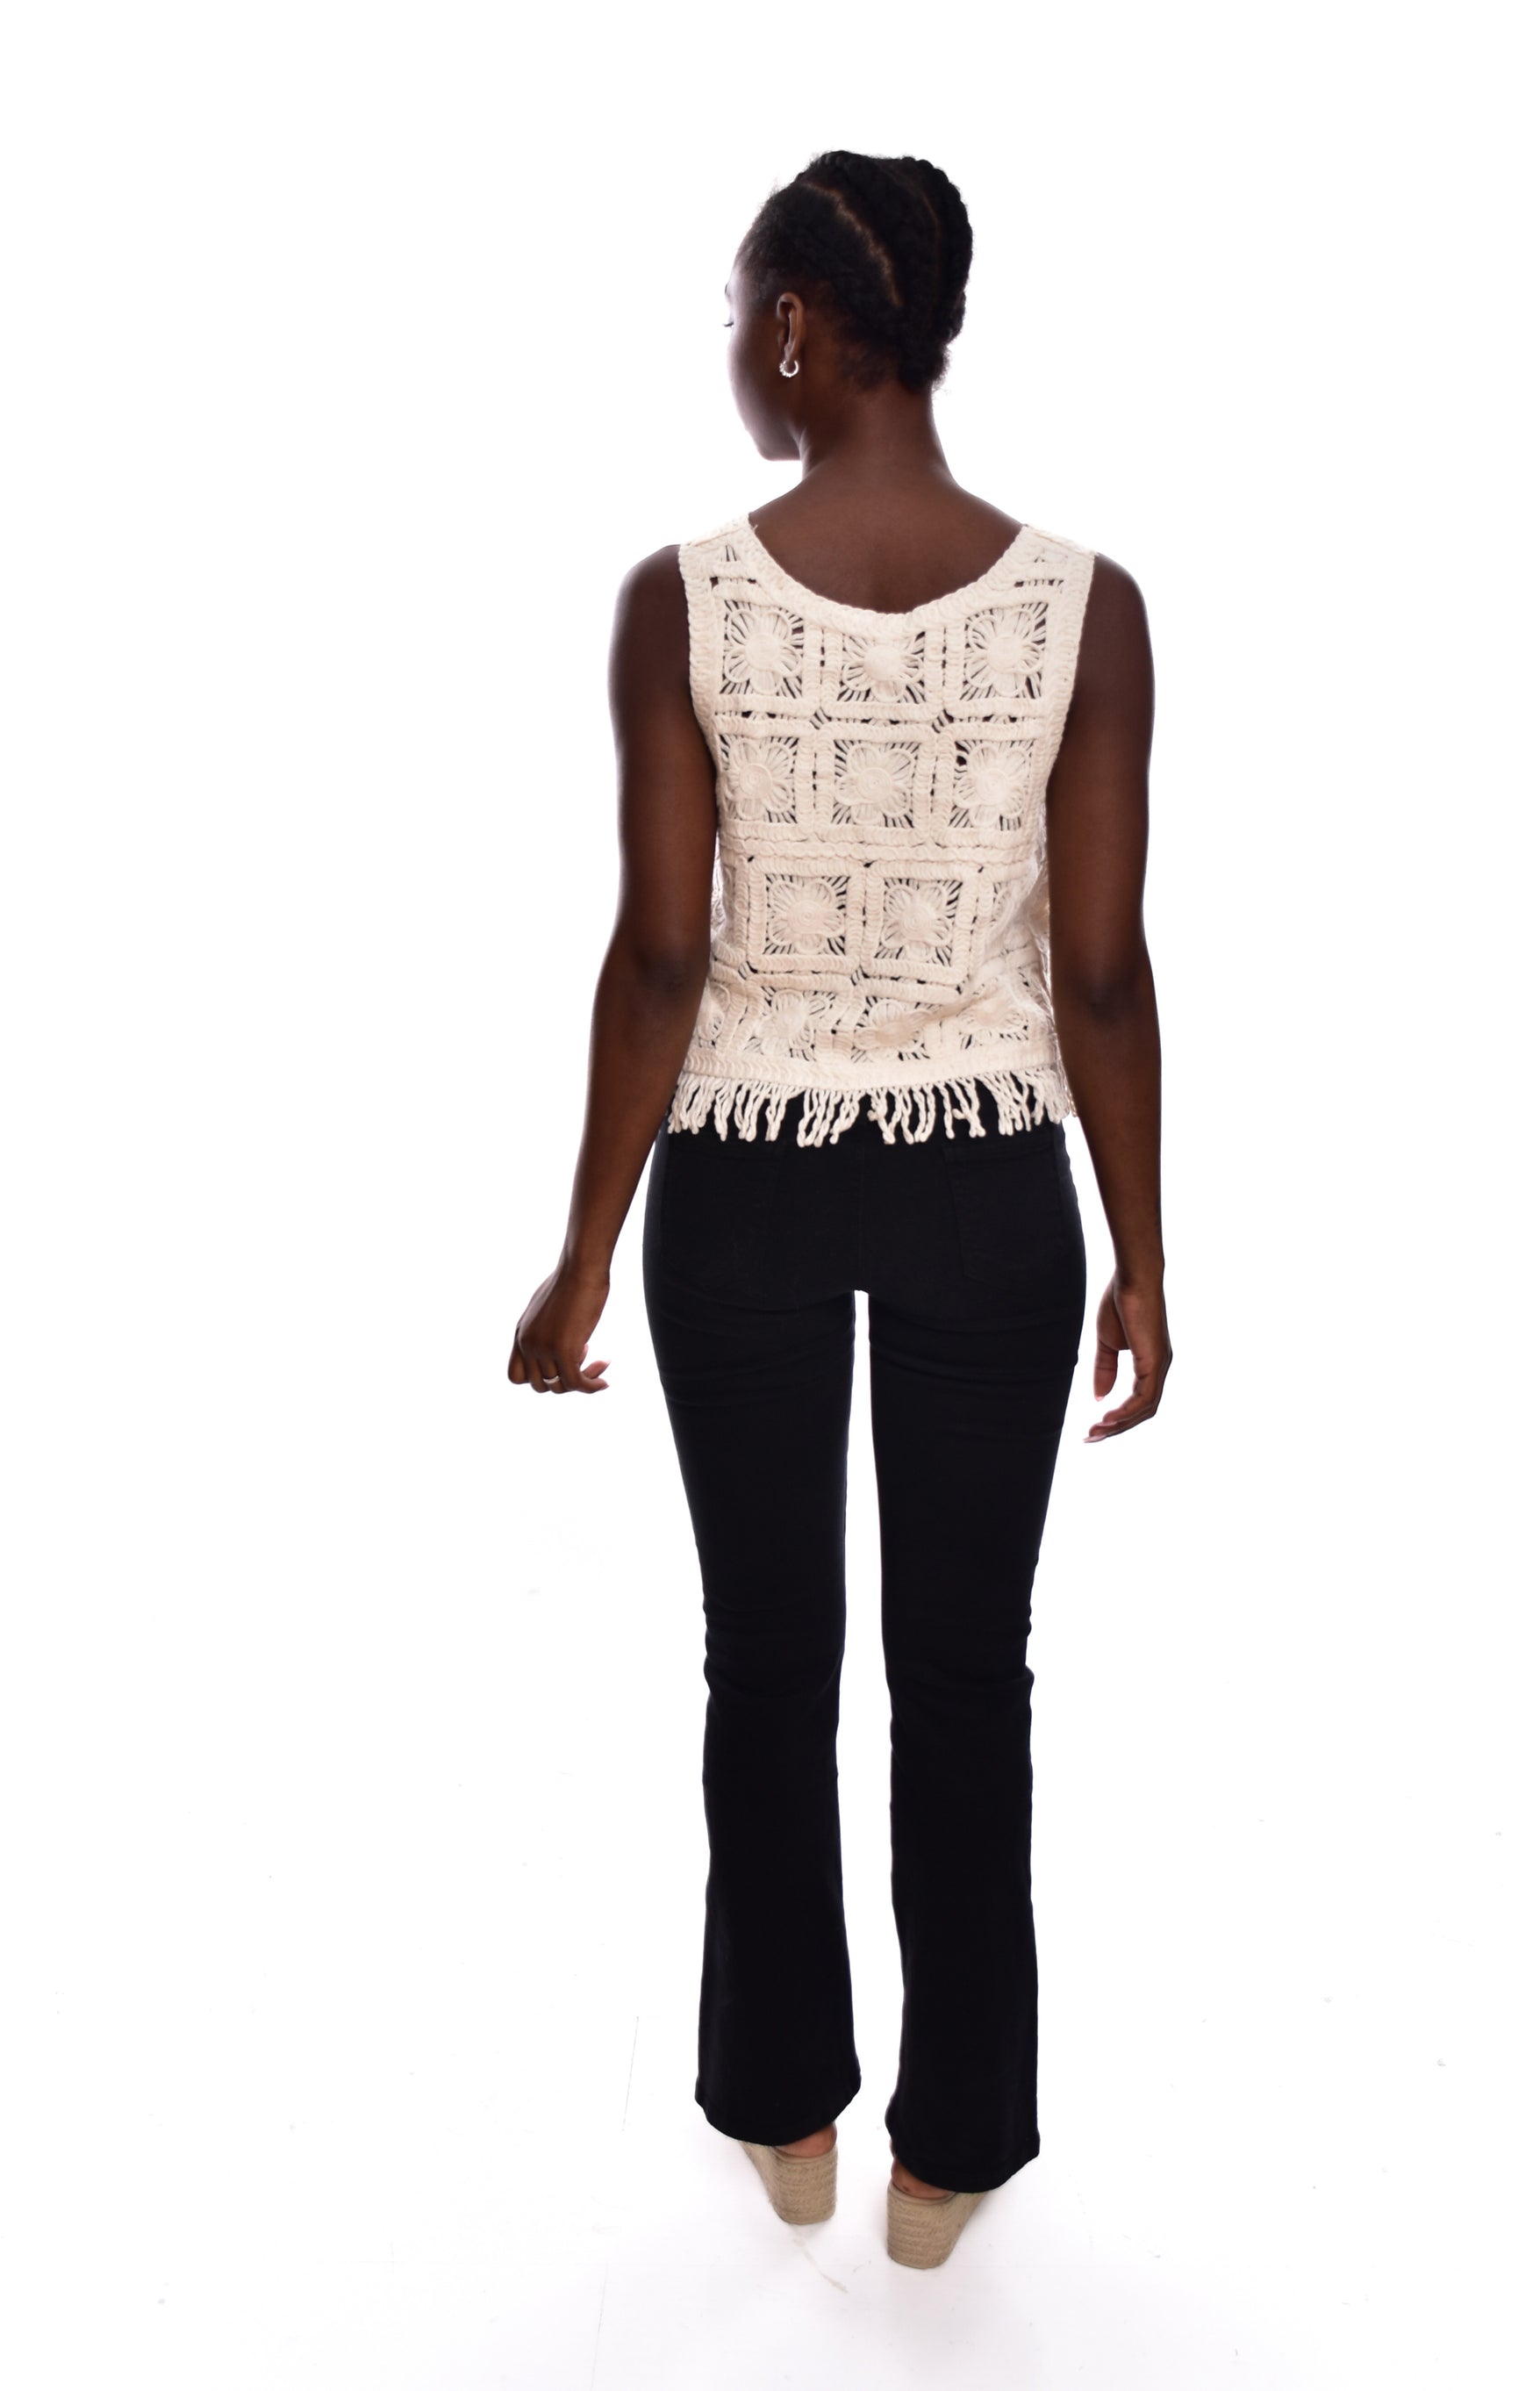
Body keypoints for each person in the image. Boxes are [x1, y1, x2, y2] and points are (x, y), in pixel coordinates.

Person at [506, 149, 1171, 2270]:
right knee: (971, 1676)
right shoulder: (1085, 608)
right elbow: (1097, 973)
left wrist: (583, 1250)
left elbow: (661, 958)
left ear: (796, 328)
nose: (732, 346)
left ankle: (784, 2110)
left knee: (767, 1663)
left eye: (737, 310)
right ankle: (948, 2155)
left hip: (745, 1197)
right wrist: (1144, 1251)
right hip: (993, 1198)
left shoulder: (680, 600)